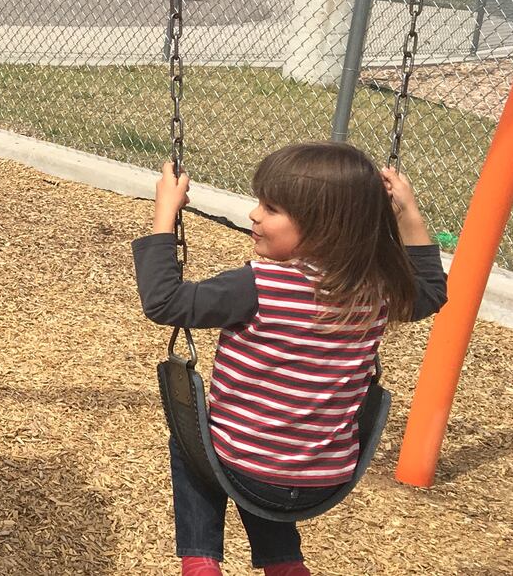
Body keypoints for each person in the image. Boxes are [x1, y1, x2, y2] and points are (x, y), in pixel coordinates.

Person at [134, 143, 448, 576]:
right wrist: (407, 211)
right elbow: (432, 291)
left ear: (325, 228)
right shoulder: (379, 290)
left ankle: (201, 561)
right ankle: (285, 564)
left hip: (247, 469)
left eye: (272, 207)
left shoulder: (259, 285)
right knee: (267, 466)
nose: (254, 215)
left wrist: (164, 212)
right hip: (324, 477)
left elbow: (165, 302)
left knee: (194, 445)